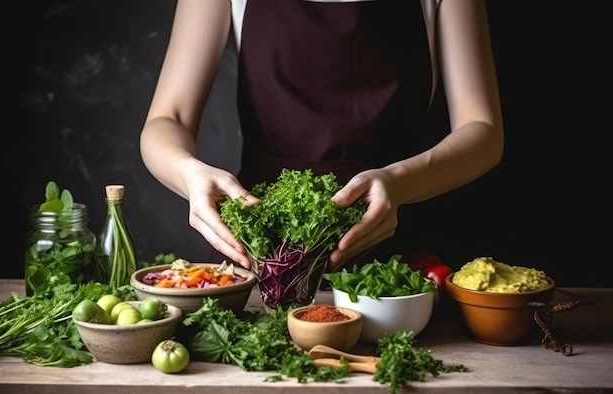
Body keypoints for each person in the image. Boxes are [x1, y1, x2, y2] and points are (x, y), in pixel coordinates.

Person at [140, 0, 504, 273]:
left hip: (404, 251)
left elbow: (482, 130)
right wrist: (190, 174)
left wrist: (400, 182)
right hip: (261, 252)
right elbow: (167, 118)